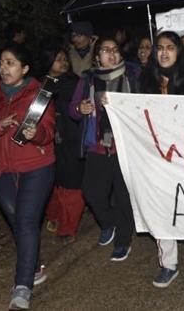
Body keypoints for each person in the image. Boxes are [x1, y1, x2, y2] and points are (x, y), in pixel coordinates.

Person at [0, 44, 56, 310]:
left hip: (36, 166)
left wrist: (35, 135)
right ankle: (34, 265)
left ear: (25, 68)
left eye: (11, 63)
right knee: (19, 222)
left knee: (27, 220)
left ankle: (22, 286)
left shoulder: (39, 93)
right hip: (0, 169)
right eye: (3, 63)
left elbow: (49, 131)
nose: (4, 68)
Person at [140, 31, 184, 288]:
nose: (164, 52)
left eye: (170, 47)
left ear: (178, 51)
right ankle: (168, 263)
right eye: (159, 48)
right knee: (160, 206)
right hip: (155, 154)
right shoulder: (146, 79)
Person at [69, 37, 139, 262]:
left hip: (125, 147)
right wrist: (81, 108)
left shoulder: (133, 75)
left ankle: (123, 241)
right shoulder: (88, 80)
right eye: (105, 50)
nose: (111, 53)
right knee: (91, 192)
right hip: (98, 146)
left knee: (122, 196)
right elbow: (73, 110)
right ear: (97, 57)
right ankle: (109, 224)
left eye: (115, 49)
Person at [41, 44, 86, 244]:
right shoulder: (40, 84)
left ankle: (68, 227)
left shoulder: (75, 82)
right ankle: (56, 216)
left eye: (64, 58)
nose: (64, 62)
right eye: (58, 58)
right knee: (54, 183)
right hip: (48, 142)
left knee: (71, 184)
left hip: (71, 140)